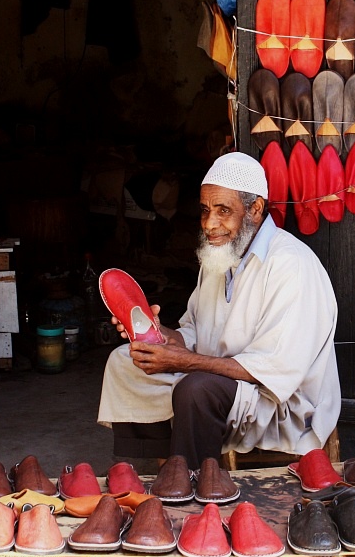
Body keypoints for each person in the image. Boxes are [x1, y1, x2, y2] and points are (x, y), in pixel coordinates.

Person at [97, 152, 340, 469]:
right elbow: (195, 331)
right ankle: (165, 469)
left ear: (254, 209)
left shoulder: (291, 265)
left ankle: (195, 484)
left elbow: (273, 370)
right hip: (221, 379)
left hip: (280, 405)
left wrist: (187, 361)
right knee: (126, 361)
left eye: (223, 211)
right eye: (205, 211)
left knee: (197, 390)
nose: (210, 224)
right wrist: (160, 335)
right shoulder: (219, 256)